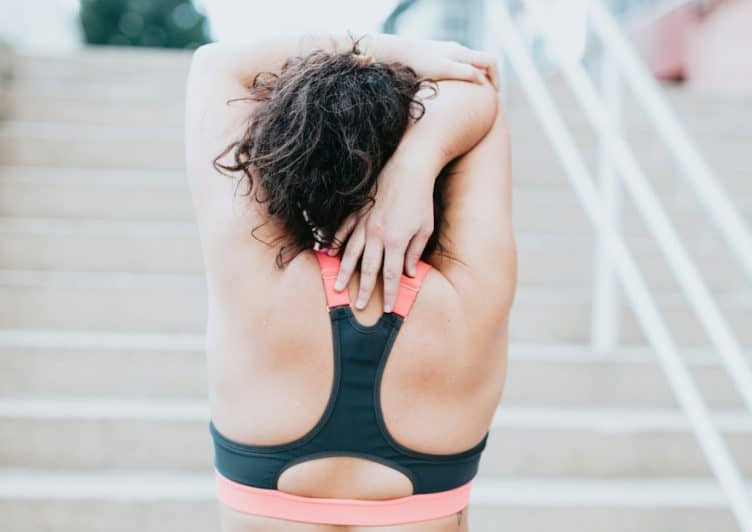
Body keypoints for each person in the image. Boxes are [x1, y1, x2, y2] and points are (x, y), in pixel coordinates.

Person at [184, 33, 516, 531]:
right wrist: (414, 163)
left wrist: (400, 49)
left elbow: (216, 63)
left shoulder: (251, 276)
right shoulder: (471, 297)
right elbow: (482, 88)